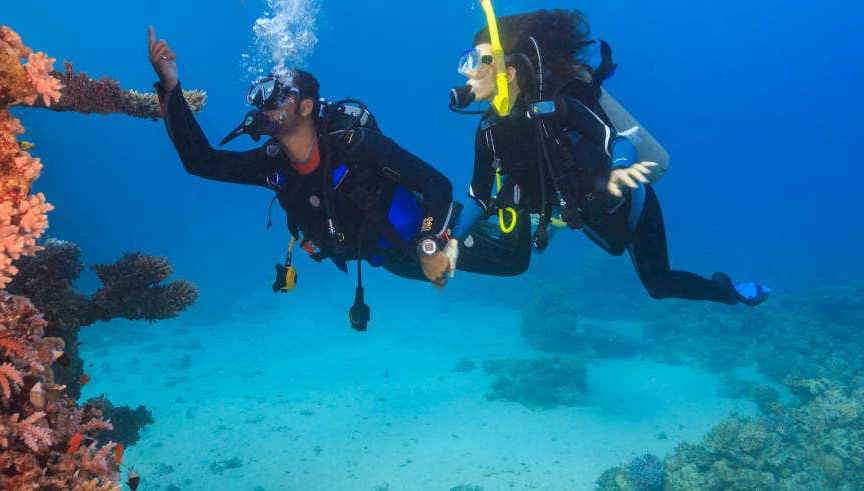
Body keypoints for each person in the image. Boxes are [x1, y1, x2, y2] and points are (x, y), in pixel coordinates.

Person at [447, 7, 770, 306]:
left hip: (631, 203)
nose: (467, 72)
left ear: (510, 71)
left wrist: (619, 170)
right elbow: (478, 196)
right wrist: (453, 242)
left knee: (658, 284)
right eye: (466, 62)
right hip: (585, 213)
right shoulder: (489, 130)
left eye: (476, 61)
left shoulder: (557, 108)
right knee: (540, 221)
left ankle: (729, 292)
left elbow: (618, 142)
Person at [147, 27, 460, 330]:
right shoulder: (273, 166)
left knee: (510, 262)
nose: (267, 107)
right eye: (263, 98)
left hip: (433, 239)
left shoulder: (355, 145)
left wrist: (429, 244)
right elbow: (200, 162)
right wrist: (171, 88)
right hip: (387, 259)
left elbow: (436, 184)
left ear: (307, 106)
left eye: (279, 97)